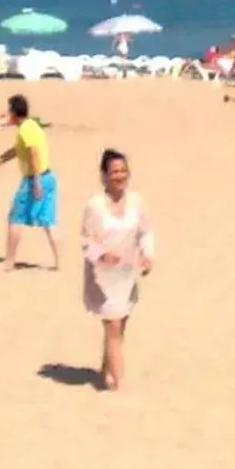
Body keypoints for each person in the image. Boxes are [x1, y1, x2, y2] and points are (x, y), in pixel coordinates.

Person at [80, 148, 154, 391]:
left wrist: (147, 255)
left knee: (119, 326)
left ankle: (106, 369)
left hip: (126, 274)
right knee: (112, 325)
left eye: (123, 171)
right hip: (102, 277)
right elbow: (86, 243)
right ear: (104, 176)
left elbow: (146, 233)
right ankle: (118, 384)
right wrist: (102, 254)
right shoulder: (95, 206)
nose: (120, 176)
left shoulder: (136, 201)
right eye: (114, 172)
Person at [0, 93, 59, 271]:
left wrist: (35, 182)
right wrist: (0, 160)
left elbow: (33, 153)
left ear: (13, 112)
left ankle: (9, 262)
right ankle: (60, 263)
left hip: (35, 179)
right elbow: (19, 149)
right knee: (48, 222)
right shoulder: (32, 125)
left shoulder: (25, 129)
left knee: (15, 218)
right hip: (49, 177)